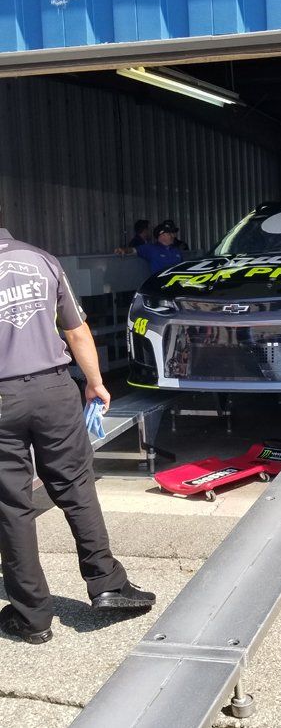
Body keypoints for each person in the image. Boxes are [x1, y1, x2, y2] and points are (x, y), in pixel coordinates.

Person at [0, 207, 155, 644]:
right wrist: (95, 382)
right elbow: (77, 331)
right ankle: (107, 585)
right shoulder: (41, 259)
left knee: (11, 505)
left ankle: (32, 617)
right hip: (53, 390)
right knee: (75, 487)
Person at [116, 223, 183, 274]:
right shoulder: (150, 249)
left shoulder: (176, 250)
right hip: (160, 286)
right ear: (162, 236)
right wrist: (123, 250)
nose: (173, 236)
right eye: (170, 234)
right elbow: (134, 250)